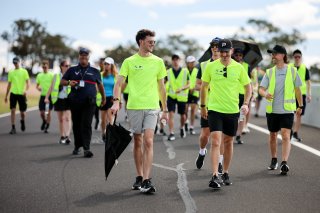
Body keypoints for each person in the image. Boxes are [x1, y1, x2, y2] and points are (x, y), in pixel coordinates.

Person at [111, 29, 168, 194]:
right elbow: (118, 84)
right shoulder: (129, 61)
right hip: (134, 106)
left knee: (148, 141)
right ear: (141, 42)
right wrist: (116, 102)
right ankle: (139, 175)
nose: (153, 44)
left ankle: (147, 179)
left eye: (154, 42)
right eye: (150, 41)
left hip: (152, 106)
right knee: (137, 141)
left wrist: (164, 108)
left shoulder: (158, 62)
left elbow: (161, 87)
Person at [201, 39, 252, 189]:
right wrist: (203, 106)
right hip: (215, 109)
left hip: (232, 110)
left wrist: (246, 103)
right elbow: (204, 87)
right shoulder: (210, 66)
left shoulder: (239, 68)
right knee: (216, 141)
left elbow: (248, 87)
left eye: (226, 51)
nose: (223, 54)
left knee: (229, 142)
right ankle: (215, 175)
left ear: (231, 51)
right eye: (221, 51)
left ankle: (226, 172)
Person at [259, 45, 303, 175]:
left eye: (274, 53)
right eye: (272, 54)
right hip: (272, 110)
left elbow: (297, 90)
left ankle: (284, 162)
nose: (272, 55)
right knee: (273, 135)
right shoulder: (269, 72)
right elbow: (261, 89)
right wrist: (265, 94)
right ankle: (274, 159)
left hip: (287, 110)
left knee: (285, 135)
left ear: (283, 55)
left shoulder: (292, 71)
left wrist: (300, 105)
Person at [61, 48, 106, 158]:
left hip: (89, 102)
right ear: (79, 57)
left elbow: (100, 86)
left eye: (85, 58)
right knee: (76, 124)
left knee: (86, 124)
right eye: (81, 57)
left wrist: (104, 98)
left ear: (88, 58)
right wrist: (69, 83)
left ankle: (87, 148)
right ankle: (77, 146)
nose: (83, 60)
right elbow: (62, 81)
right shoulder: (72, 70)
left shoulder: (95, 71)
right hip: (75, 101)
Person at [195, 37, 224, 173]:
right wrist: (207, 87)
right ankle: (202, 152)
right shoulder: (204, 65)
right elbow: (197, 85)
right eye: (213, 45)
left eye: (217, 46)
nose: (215, 48)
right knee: (205, 135)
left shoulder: (227, 64)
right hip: (207, 105)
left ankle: (219, 162)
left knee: (219, 137)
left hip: (223, 105)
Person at [45, 60, 72, 144]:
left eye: (68, 66)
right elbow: (51, 87)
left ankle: (67, 136)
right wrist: (46, 97)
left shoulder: (71, 76)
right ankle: (62, 136)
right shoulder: (56, 76)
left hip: (68, 99)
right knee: (61, 119)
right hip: (58, 99)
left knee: (67, 118)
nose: (67, 67)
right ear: (61, 66)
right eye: (66, 65)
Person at [167, 54, 190, 141]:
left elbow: (189, 84)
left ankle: (182, 127)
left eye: (177, 59)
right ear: (172, 61)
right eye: (174, 60)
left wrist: (181, 88)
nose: (175, 61)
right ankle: (171, 133)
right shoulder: (168, 72)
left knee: (183, 115)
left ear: (179, 60)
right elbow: (164, 83)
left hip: (181, 97)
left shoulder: (185, 71)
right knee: (171, 115)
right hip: (171, 96)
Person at [4, 57, 30, 134]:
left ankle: (22, 121)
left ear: (19, 62)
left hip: (22, 94)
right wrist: (6, 96)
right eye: (14, 63)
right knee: (12, 110)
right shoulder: (11, 72)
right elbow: (9, 85)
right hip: (13, 94)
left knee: (22, 112)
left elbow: (28, 83)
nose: (15, 64)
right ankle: (13, 127)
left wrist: (26, 90)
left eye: (16, 62)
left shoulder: (24, 71)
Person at [290, 49, 312, 142]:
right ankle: (289, 132)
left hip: (301, 95)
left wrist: (309, 94)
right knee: (290, 114)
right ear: (293, 57)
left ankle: (295, 133)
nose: (297, 58)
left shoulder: (304, 68)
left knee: (299, 114)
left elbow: (308, 83)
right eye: (295, 57)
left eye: (299, 57)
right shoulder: (289, 67)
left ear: (301, 57)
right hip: (290, 94)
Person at [232, 48, 252, 144]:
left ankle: (238, 135)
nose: (238, 57)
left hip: (243, 94)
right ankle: (232, 134)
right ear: (233, 55)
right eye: (237, 55)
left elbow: (249, 83)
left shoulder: (247, 66)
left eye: (240, 55)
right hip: (232, 94)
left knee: (242, 116)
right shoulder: (230, 65)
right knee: (233, 116)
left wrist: (250, 94)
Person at [100, 57, 117, 141]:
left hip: (111, 98)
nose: (106, 65)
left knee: (110, 118)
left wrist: (117, 100)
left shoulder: (115, 76)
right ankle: (103, 133)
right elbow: (98, 87)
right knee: (103, 120)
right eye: (105, 64)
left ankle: (108, 133)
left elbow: (117, 88)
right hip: (103, 98)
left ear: (111, 65)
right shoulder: (101, 74)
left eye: (108, 64)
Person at [36, 60, 54, 133]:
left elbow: (53, 85)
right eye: (43, 67)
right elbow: (37, 86)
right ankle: (44, 121)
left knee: (48, 112)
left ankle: (47, 126)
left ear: (48, 67)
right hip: (42, 96)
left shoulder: (51, 75)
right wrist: (38, 88)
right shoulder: (39, 75)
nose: (44, 68)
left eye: (45, 67)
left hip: (50, 96)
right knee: (42, 113)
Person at [184, 55, 199, 135]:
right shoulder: (184, 71)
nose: (192, 63)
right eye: (190, 62)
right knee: (185, 110)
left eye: (193, 62)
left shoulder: (197, 70)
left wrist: (194, 88)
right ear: (187, 63)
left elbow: (199, 81)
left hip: (194, 92)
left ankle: (191, 127)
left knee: (193, 110)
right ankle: (186, 121)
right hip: (186, 93)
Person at [94, 57, 105, 130]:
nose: (102, 64)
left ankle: (102, 123)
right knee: (96, 110)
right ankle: (97, 119)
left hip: (105, 94)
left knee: (103, 111)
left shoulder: (108, 72)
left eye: (103, 63)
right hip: (97, 94)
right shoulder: (97, 72)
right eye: (101, 63)